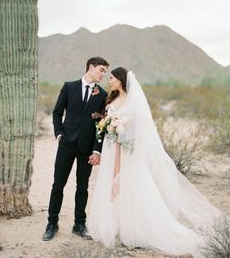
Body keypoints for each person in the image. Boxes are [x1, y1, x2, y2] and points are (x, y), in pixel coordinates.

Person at [89, 67, 223, 257]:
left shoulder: (132, 102)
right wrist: (109, 128)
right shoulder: (110, 99)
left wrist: (119, 131)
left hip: (126, 151)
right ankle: (116, 226)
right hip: (112, 148)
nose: (109, 81)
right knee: (114, 187)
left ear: (120, 80)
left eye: (111, 78)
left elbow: (136, 130)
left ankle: (135, 229)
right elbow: (107, 123)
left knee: (129, 188)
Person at [43, 56, 109, 241]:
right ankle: (52, 223)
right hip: (66, 144)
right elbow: (57, 112)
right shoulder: (69, 86)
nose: (104, 74)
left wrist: (97, 150)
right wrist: (58, 133)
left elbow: (101, 125)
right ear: (91, 67)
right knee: (58, 185)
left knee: (83, 187)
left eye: (105, 71)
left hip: (86, 148)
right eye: (102, 70)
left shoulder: (102, 95)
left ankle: (79, 224)